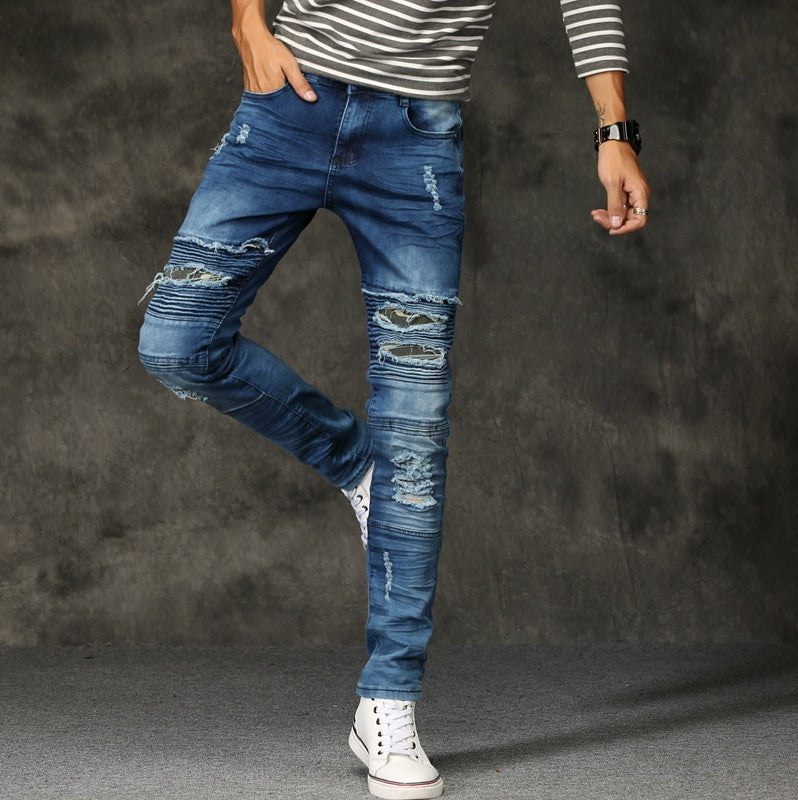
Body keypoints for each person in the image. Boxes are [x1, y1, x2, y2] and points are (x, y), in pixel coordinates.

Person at [138, 1, 650, 797]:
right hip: (292, 100)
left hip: (415, 139)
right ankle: (354, 460)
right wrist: (247, 21)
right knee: (177, 343)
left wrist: (614, 131)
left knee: (414, 432)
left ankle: (390, 699)